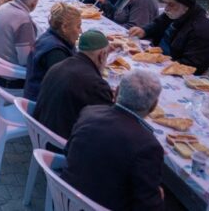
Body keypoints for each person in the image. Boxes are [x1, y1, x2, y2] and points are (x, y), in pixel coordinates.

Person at [62, 70, 164, 210]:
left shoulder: (89, 112)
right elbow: (148, 206)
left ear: (116, 93)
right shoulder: (148, 146)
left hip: (65, 195)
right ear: (153, 106)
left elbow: (67, 151)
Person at [32, 30, 113, 140]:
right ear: (102, 56)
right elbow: (108, 123)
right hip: (62, 143)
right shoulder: (95, 84)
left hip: (40, 131)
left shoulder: (58, 65)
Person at [129, 0, 209, 75]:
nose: (166, 8)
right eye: (166, 3)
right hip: (158, 58)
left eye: (171, 4)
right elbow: (158, 23)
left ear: (186, 6)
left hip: (176, 70)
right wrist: (144, 31)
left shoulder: (202, 30)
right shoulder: (177, 12)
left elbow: (192, 65)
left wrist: (161, 61)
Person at [24, 2, 80, 101]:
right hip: (40, 105)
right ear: (64, 27)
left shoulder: (50, 37)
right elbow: (69, 87)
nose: (81, 31)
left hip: (36, 95)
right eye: (78, 26)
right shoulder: (56, 53)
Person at [0, 0, 40, 68]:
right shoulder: (24, 21)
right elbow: (26, 60)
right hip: (8, 73)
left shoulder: (4, 6)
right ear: (34, 4)